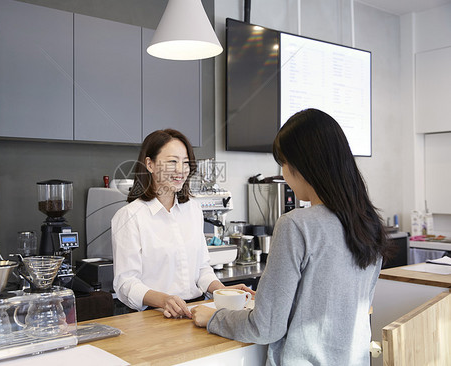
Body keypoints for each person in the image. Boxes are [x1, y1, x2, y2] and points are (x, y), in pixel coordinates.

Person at [191, 109, 393, 365]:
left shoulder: (296, 224)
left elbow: (265, 328)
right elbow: (335, 302)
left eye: (283, 164)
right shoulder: (368, 223)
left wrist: (214, 318)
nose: (284, 174)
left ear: (304, 165)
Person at [111, 129, 254, 319]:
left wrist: (222, 292)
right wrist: (163, 300)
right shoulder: (129, 216)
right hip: (153, 317)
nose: (181, 170)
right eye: (172, 162)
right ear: (150, 164)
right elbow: (126, 283)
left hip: (197, 312)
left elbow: (202, 269)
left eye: (185, 162)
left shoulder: (193, 210)